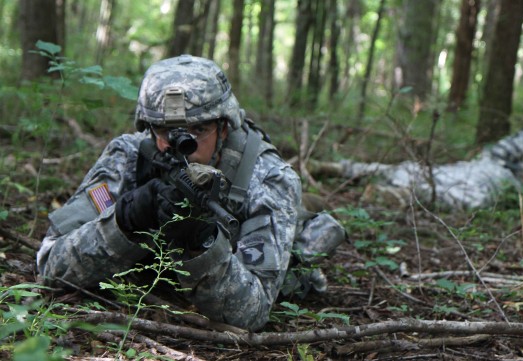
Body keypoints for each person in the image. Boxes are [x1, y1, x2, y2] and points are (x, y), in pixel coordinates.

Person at [37, 55, 345, 331]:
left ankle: (305, 225)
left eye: (197, 131)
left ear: (224, 128)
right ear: (148, 128)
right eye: (163, 132)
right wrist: (124, 220)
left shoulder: (267, 177)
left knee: (297, 267)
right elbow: (50, 266)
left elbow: (253, 313)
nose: (178, 146)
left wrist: (202, 245)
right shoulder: (129, 155)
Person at [310, 125, 523, 210]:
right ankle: (395, 194)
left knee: (425, 173)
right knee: (468, 195)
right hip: (501, 173)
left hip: (503, 177)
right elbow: (509, 148)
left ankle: (339, 168)